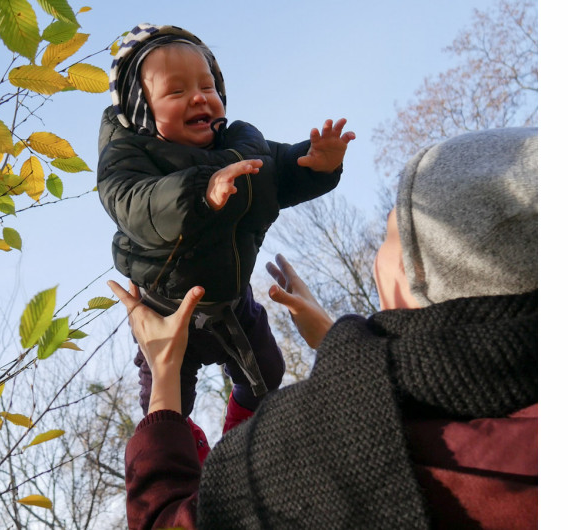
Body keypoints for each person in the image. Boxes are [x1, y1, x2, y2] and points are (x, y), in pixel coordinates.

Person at [109, 126, 538, 528]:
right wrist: (342, 342)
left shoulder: (324, 458)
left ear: (413, 281)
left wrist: (164, 375)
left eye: (391, 232)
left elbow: (167, 519)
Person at [97, 22, 355, 449]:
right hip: (166, 312)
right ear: (142, 109)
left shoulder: (240, 143)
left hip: (233, 304)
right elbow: (132, 203)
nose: (199, 97)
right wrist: (201, 191)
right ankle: (188, 461)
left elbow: (276, 171)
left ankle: (240, 443)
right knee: (165, 408)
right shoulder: (132, 155)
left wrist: (316, 164)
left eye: (207, 85)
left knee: (267, 375)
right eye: (176, 91)